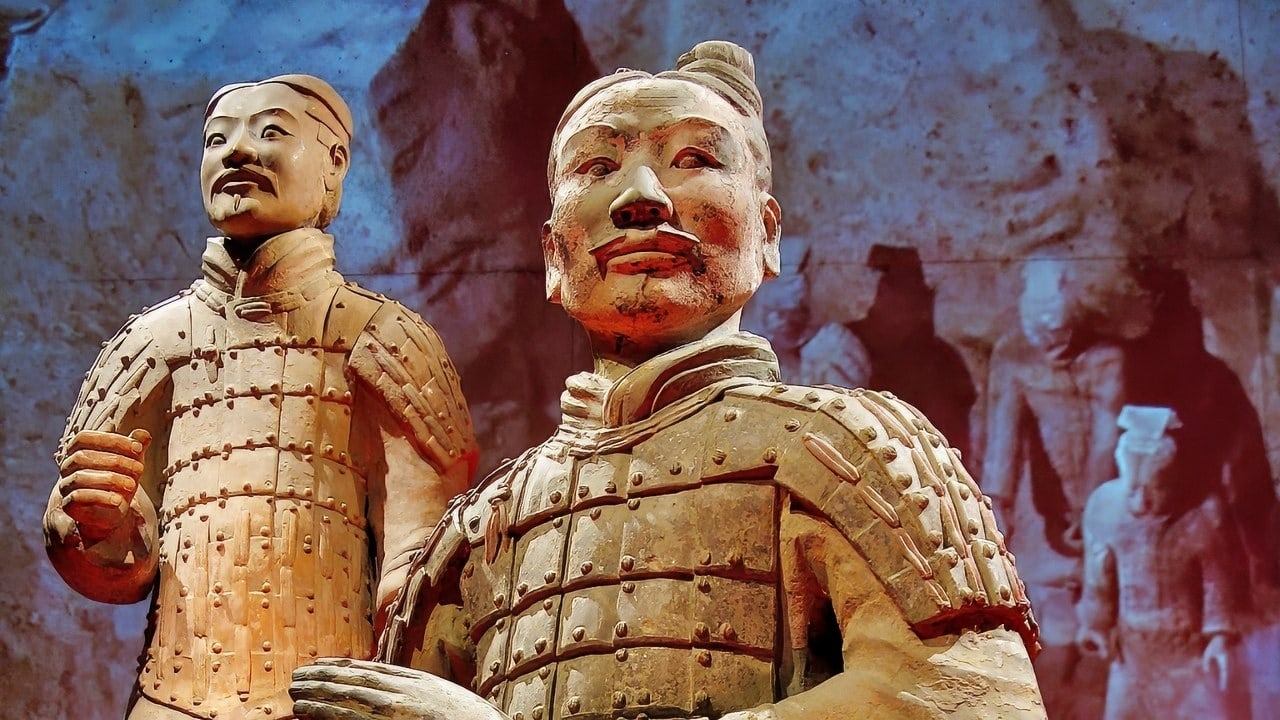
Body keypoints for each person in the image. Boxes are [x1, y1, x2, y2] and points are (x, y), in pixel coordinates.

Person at [291, 42, 1043, 720]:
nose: (640, 197)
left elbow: (968, 702)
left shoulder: (849, 448)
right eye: (597, 168)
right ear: (554, 257)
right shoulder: (482, 528)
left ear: (767, 234)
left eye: (695, 159)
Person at [43, 74, 478, 720]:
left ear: (335, 166)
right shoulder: (154, 341)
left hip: (327, 707)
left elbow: (420, 576)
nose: (238, 151)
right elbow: (110, 560)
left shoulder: (383, 338)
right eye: (217, 139)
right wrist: (96, 522)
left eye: (270, 131)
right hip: (167, 702)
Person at [1078, 406, 1251, 718]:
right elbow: (1099, 578)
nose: (1141, 502)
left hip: (1188, 655)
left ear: (1171, 477)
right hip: (1132, 654)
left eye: (1154, 489)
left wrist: (1220, 638)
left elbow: (1218, 580)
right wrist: (1096, 624)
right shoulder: (1105, 508)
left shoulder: (1203, 514)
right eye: (1134, 489)